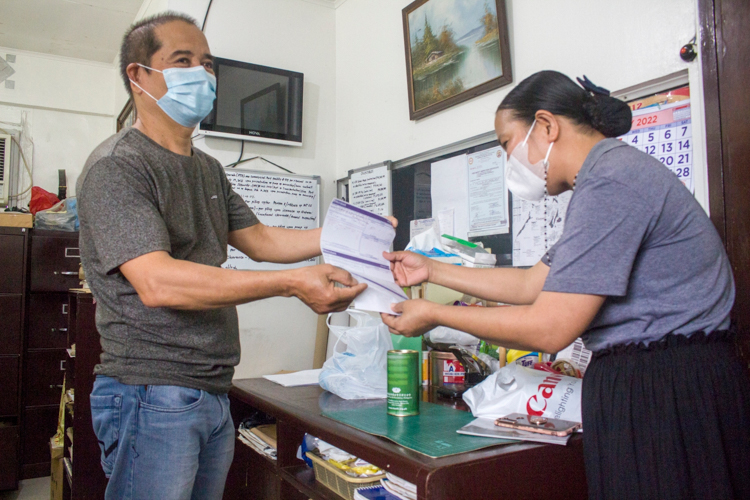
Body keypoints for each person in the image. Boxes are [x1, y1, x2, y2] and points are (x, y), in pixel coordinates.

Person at [382, 71, 750, 499]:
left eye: (507, 145)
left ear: (546, 126)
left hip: (669, 391)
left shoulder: (612, 181)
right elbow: (531, 284)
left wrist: (434, 314)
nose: (509, 162)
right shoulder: (604, 180)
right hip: (654, 382)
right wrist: (431, 270)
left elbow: (550, 327)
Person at [77, 12, 372, 500]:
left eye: (208, 63)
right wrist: (292, 282)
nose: (203, 75)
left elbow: (259, 238)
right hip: (152, 390)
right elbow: (159, 282)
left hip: (212, 388)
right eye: (183, 60)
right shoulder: (118, 167)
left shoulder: (208, 168)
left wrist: (353, 236)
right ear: (138, 75)